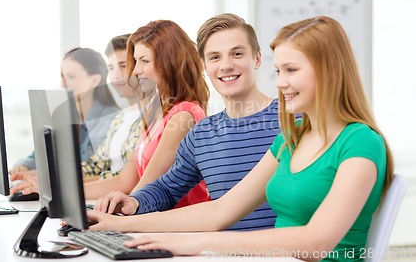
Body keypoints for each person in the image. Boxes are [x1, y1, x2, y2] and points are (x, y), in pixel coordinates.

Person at [88, 16, 394, 261]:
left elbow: (317, 240)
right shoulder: (293, 137)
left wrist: (203, 243)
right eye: (280, 71)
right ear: (205, 66)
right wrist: (122, 221)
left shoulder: (351, 140)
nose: (282, 82)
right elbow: (218, 209)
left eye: (291, 70)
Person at [92, 13, 280, 231]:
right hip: (223, 252)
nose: (226, 65)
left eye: (237, 54)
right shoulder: (202, 134)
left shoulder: (293, 120)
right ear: (204, 65)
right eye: (215, 57)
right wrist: (133, 202)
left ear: (257, 58)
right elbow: (167, 188)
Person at [83, 20, 210, 209]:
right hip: (155, 221)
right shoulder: (156, 112)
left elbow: (147, 188)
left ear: (169, 62)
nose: (135, 71)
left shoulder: (184, 116)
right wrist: (65, 196)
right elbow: (125, 181)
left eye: (144, 61)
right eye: (136, 61)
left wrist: (112, 211)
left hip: (180, 229)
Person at [9, 47, 120, 193]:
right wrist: (24, 167)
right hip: (65, 193)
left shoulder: (112, 120)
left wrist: (45, 178)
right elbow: (38, 157)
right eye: (62, 77)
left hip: (88, 196)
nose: (63, 84)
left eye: (71, 76)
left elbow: (95, 171)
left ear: (94, 80)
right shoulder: (62, 117)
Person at [82, 34, 144, 181]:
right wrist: (47, 178)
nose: (115, 75)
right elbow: (94, 166)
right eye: (111, 68)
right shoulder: (119, 119)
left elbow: (123, 178)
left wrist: (62, 186)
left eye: (123, 66)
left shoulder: (152, 117)